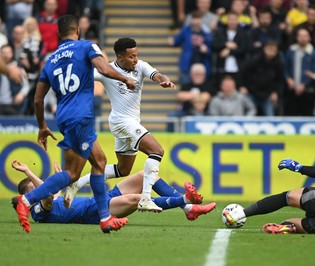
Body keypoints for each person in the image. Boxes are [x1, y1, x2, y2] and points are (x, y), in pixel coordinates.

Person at [11, 14, 136, 234]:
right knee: (72, 173)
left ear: (59, 34)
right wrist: (126, 79)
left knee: (99, 162)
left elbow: (38, 99)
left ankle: (105, 219)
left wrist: (42, 126)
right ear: (77, 30)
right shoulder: (87, 46)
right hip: (81, 115)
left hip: (64, 117)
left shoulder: (50, 60)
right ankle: (28, 199)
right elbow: (105, 69)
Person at [65, 37, 176, 213]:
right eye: (132, 56)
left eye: (136, 55)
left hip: (130, 122)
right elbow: (81, 77)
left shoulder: (140, 66)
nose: (136, 59)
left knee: (123, 169)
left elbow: (157, 74)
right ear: (120, 57)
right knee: (157, 151)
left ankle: (78, 183)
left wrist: (164, 80)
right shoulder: (106, 70)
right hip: (121, 121)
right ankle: (145, 198)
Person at [12, 160, 216, 224]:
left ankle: (188, 208)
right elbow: (46, 195)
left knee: (144, 175)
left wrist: (29, 172)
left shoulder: (49, 199)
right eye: (34, 191)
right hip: (95, 213)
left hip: (100, 199)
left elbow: (47, 192)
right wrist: (56, 183)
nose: (39, 189)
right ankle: (185, 201)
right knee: (138, 199)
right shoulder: (39, 212)